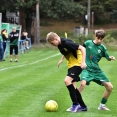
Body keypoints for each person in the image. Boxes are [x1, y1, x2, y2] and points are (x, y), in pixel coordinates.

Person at [46, 32, 87, 112]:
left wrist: (83, 62)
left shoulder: (67, 43)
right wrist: (61, 59)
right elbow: (67, 51)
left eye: (52, 43)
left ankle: (75, 104)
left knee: (67, 80)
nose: (52, 45)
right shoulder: (59, 45)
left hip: (78, 63)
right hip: (71, 64)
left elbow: (82, 48)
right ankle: (83, 106)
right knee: (73, 87)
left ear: (55, 39)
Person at [78, 29, 116, 111]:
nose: (99, 40)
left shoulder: (103, 48)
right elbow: (80, 49)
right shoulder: (88, 43)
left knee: (110, 87)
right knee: (82, 84)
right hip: (87, 69)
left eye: (101, 39)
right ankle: (76, 104)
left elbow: (107, 57)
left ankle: (102, 105)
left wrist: (110, 58)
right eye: (98, 38)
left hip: (97, 71)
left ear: (103, 38)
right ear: (95, 36)